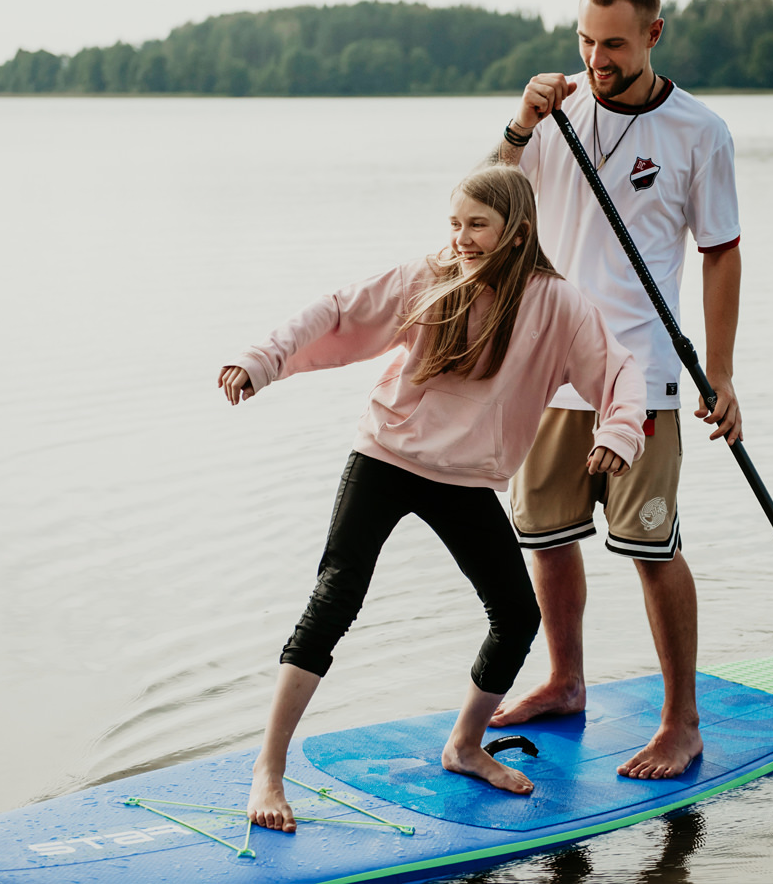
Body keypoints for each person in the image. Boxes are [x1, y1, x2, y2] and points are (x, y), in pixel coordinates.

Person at [219, 165, 647, 833]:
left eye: (477, 225)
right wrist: (263, 360)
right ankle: (267, 771)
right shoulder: (430, 274)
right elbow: (338, 311)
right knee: (335, 598)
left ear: (517, 232)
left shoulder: (557, 304)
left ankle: (464, 746)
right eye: (455, 223)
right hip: (385, 455)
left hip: (466, 478)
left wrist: (619, 433)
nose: (463, 238)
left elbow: (618, 369)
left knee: (516, 614)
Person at [487, 0, 745, 781]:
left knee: (650, 545)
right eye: (587, 43)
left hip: (643, 377)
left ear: (653, 35)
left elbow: (722, 255)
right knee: (547, 537)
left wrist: (724, 373)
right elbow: (485, 201)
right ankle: (564, 682)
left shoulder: (699, 132)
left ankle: (683, 722)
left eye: (616, 47)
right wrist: (519, 126)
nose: (597, 62)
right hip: (547, 367)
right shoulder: (554, 111)